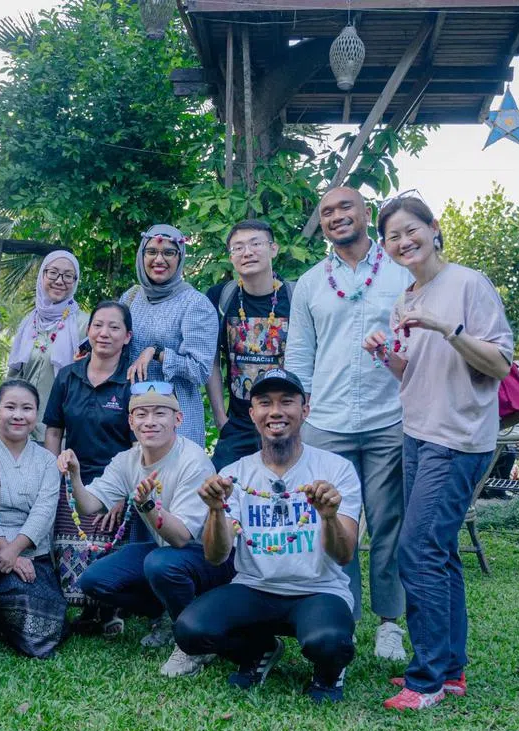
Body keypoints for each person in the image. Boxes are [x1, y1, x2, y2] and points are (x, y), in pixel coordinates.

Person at [364, 195, 512, 711]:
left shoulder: (469, 284)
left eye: (411, 231)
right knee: (441, 554)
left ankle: (425, 681)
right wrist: (388, 355)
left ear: (433, 229)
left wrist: (447, 328)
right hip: (418, 432)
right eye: (392, 237)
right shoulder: (405, 297)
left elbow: (498, 363)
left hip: (458, 436)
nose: (403, 242)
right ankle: (449, 671)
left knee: (418, 550)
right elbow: (414, 372)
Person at [174, 369, 361, 704]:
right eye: (265, 403)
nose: (276, 411)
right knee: (191, 630)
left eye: (287, 401)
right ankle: (260, 650)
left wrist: (329, 517)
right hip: (254, 587)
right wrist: (216, 511)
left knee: (329, 642)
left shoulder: (336, 469)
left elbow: (344, 555)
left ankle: (329, 671)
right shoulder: (234, 474)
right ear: (253, 414)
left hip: (317, 589)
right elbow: (216, 556)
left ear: (305, 409)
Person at [284, 186, 410, 660]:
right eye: (327, 211)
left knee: (387, 522)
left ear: (365, 213)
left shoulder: (401, 275)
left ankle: (390, 623)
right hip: (328, 420)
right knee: (334, 520)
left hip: (389, 416)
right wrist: (298, 409)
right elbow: (299, 351)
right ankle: (343, 612)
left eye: (345, 207)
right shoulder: (312, 283)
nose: (337, 216)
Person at [58, 383, 231, 677]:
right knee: (94, 580)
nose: (149, 422)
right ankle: (165, 614)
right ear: (130, 421)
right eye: (141, 414)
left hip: (208, 558)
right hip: (166, 553)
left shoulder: (193, 461)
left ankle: (193, 642)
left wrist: (149, 506)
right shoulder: (128, 460)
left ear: (177, 419)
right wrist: (75, 475)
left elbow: (181, 538)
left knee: (160, 563)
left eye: (159, 413)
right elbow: (89, 505)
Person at [43, 301, 136, 633]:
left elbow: (140, 445)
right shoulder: (68, 375)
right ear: (89, 330)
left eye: (114, 327)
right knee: (71, 546)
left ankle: (111, 611)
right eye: (98, 325)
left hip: (117, 480)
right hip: (73, 476)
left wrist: (127, 494)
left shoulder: (131, 381)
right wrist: (54, 475)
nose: (104, 333)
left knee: (110, 545)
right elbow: (54, 430)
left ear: (127, 337)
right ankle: (82, 610)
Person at [0, 380, 66, 658]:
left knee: (53, 616)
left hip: (33, 553)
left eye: (27, 408)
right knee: (20, 602)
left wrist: (15, 552)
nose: (18, 415)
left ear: (36, 414)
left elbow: (44, 512)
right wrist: (4, 550)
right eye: (10, 407)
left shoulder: (48, 460)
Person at [206, 220, 293, 470]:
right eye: (238, 247)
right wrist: (221, 418)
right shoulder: (221, 296)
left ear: (273, 249)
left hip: (287, 421)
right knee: (220, 494)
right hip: (240, 425)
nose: (248, 252)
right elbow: (212, 359)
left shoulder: (295, 296)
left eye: (256, 244)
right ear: (231, 256)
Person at [120, 224, 217, 447]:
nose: (159, 259)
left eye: (168, 252)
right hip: (133, 420)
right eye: (152, 251)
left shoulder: (195, 304)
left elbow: (200, 371)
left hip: (177, 422)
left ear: (180, 257)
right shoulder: (131, 297)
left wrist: (158, 353)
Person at [6, 250, 88, 443]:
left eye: (68, 275)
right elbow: (14, 375)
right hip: (22, 429)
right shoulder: (28, 322)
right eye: (53, 273)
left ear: (75, 281)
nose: (60, 281)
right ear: (42, 275)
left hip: (61, 432)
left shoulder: (85, 325)